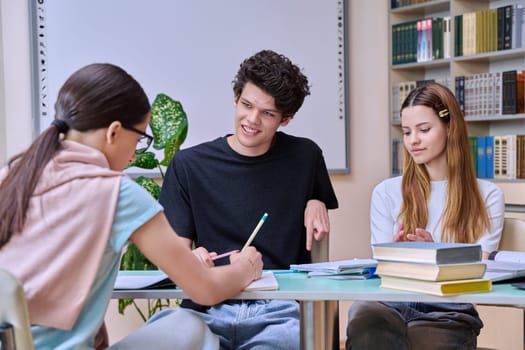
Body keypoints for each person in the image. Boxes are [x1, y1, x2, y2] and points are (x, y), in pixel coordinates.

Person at [0, 63, 264, 350]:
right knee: (186, 325)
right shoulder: (116, 193)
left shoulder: (12, 176)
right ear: (114, 132)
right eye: (138, 139)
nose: (131, 156)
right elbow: (204, 289)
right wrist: (244, 269)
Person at [158, 49, 339, 349]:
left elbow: (315, 203)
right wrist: (190, 260)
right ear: (235, 98)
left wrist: (316, 199)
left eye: (267, 113)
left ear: (286, 118)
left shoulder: (305, 158)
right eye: (246, 105)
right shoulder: (189, 165)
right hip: (207, 306)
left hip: (279, 311)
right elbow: (175, 253)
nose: (252, 120)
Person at [345, 82, 505, 350]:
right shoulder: (386, 192)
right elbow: (379, 268)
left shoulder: (487, 195)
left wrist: (435, 255)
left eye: (424, 130)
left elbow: (482, 267)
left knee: (427, 340)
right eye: (407, 132)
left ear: (450, 127)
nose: (413, 141)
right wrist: (394, 254)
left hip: (448, 310)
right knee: (366, 325)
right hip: (389, 302)